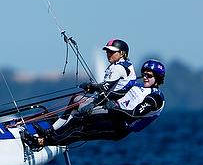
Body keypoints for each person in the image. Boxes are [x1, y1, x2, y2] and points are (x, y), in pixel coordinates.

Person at [24, 59, 165, 148]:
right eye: (144, 74)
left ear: (158, 78)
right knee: (77, 111)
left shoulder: (155, 97)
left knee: (80, 131)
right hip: (111, 114)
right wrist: (94, 87)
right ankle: (51, 133)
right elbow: (113, 92)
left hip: (120, 127)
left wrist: (114, 107)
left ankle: (41, 142)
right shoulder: (137, 86)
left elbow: (133, 115)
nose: (145, 77)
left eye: (150, 75)